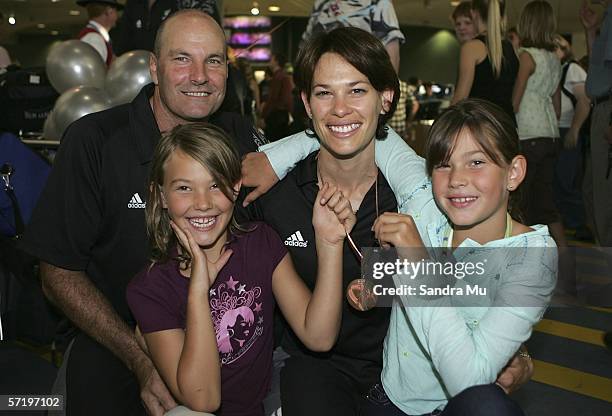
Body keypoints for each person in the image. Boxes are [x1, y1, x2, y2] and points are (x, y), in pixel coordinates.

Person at [241, 26, 534, 415]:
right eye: (324, 92)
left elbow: (479, 270)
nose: (340, 107)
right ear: (307, 105)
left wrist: (513, 348)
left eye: (357, 90)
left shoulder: (421, 194)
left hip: (416, 372)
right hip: (319, 369)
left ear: (386, 99)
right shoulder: (274, 196)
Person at [19, 10, 265, 415]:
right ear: (154, 67)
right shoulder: (95, 141)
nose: (200, 75)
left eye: (214, 61)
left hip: (226, 335)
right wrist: (141, 359)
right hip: (115, 340)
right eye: (182, 58)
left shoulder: (242, 137)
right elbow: (58, 272)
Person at [127, 122, 354, 414]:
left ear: (235, 188)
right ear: (160, 196)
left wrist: (330, 243)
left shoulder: (259, 242)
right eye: (184, 188)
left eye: (215, 185)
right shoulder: (149, 290)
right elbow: (204, 400)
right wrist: (198, 291)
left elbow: (318, 337)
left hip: (264, 402)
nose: (203, 203)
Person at [369, 99, 556, 415]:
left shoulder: (531, 257)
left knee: (488, 406)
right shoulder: (425, 200)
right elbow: (361, 128)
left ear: (513, 172)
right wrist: (274, 160)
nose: (456, 178)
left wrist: (418, 263)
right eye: (443, 163)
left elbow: (468, 384)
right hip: (391, 399)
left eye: (477, 162)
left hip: (457, 407)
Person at [512, 1, 565, 251]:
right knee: (546, 202)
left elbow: (515, 100)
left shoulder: (527, 56)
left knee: (522, 203)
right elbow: (557, 105)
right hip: (551, 134)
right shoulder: (555, 58)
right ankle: (564, 258)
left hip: (529, 134)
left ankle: (527, 257)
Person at [451, 0, 519, 123]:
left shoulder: (471, 48)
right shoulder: (511, 48)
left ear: (473, 13)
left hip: (482, 128)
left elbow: (460, 100)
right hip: (508, 127)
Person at [553, 34, 592, 240]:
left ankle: (578, 224)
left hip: (566, 130)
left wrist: (574, 130)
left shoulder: (572, 69)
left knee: (567, 179)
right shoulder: (552, 69)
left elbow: (584, 103)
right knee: (557, 180)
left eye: (557, 47)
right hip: (553, 131)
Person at [580, 0, 612, 248]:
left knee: (604, 198)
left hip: (608, 109)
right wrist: (591, 31)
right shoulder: (607, 18)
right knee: (593, 193)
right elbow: (598, 69)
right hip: (601, 106)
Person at [301, 0, 405, 73]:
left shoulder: (377, 1)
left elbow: (391, 45)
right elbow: (306, 45)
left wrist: (387, 90)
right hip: (324, 76)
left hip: (361, 75)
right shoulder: (320, 2)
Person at [111, 0, 177, 55]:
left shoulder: (175, 3)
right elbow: (122, 40)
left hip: (164, 61)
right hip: (135, 62)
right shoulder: (133, 4)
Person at [77, 0, 123, 66]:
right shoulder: (94, 39)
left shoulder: (95, 36)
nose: (117, 16)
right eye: (116, 11)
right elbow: (94, 72)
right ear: (109, 11)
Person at [261, 53, 294, 141]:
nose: (269, 61)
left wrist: (264, 115)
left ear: (276, 62)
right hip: (282, 115)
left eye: (271, 59)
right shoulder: (284, 76)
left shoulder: (278, 77)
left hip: (276, 117)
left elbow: (272, 99)